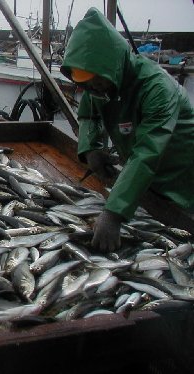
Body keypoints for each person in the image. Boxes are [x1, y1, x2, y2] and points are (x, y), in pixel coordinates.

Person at [60, 7, 194, 253]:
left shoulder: (158, 89)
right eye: (85, 84)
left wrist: (113, 213)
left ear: (112, 66)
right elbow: (89, 113)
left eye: (96, 82)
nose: (93, 89)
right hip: (142, 185)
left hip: (182, 184)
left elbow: (147, 152)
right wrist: (91, 149)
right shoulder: (99, 85)